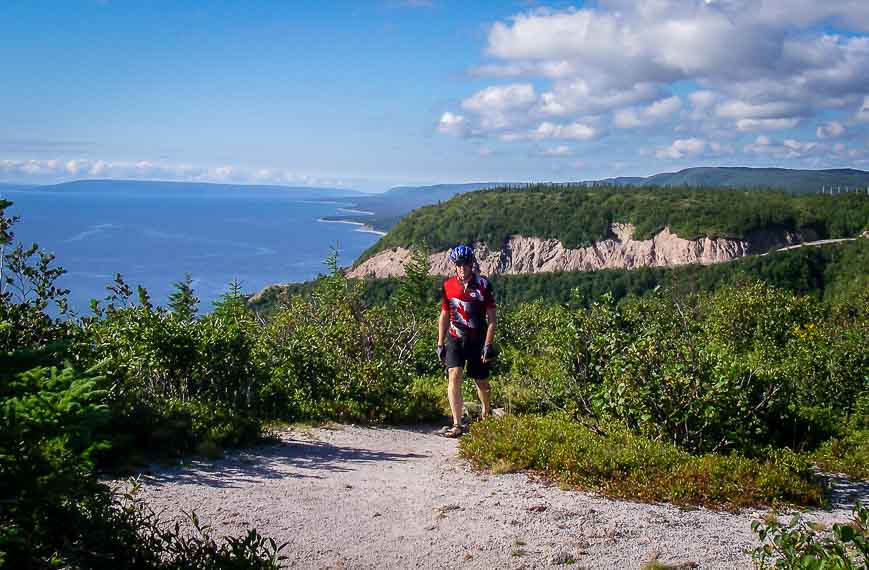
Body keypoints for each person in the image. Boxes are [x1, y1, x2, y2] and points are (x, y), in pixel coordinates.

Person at [437, 244, 497, 438]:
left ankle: (486, 413)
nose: (462, 267)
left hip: (477, 339)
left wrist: (488, 344)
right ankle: (457, 423)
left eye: (466, 264)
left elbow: (492, 320)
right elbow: (444, 314)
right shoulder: (448, 286)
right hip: (455, 338)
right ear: (455, 265)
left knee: (482, 382)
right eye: (459, 264)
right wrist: (440, 343)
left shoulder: (484, 285)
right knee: (454, 375)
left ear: (472, 264)